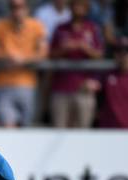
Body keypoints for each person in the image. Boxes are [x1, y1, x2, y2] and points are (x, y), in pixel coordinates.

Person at [0, 0, 48, 127]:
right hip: (4, 84)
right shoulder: (0, 26)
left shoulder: (36, 26)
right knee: (7, 125)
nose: (17, 10)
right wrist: (8, 57)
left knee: (25, 127)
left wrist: (23, 59)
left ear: (27, 8)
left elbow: (43, 53)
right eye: (13, 7)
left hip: (27, 84)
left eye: (20, 7)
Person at [49, 0, 103, 128]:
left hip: (84, 88)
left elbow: (99, 55)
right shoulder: (60, 28)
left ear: (86, 9)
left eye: (81, 6)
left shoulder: (92, 28)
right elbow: (50, 54)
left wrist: (85, 48)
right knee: (59, 129)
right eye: (74, 5)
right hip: (61, 87)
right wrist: (65, 48)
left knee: (82, 131)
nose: (77, 8)